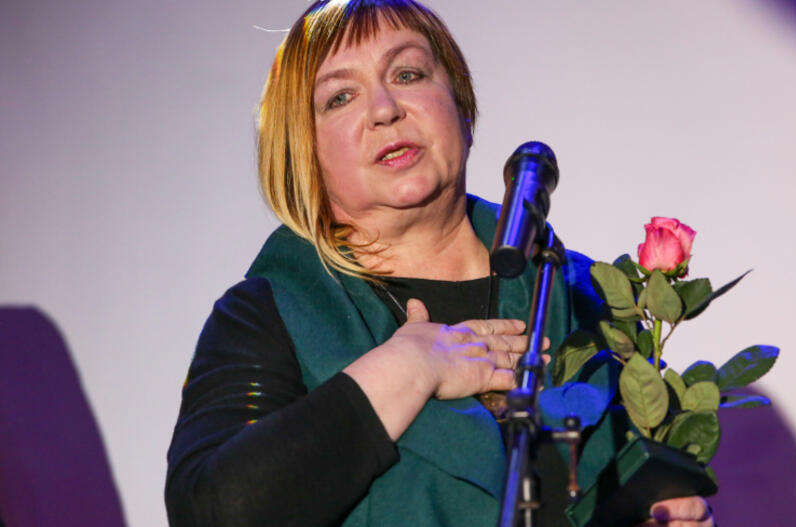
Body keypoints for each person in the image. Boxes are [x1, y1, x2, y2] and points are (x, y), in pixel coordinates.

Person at [165, 1, 716, 526]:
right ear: (302, 153)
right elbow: (211, 511)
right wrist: (406, 369)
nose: (385, 110)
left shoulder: (583, 294)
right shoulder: (272, 313)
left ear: (461, 107)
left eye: (407, 74)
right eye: (340, 98)